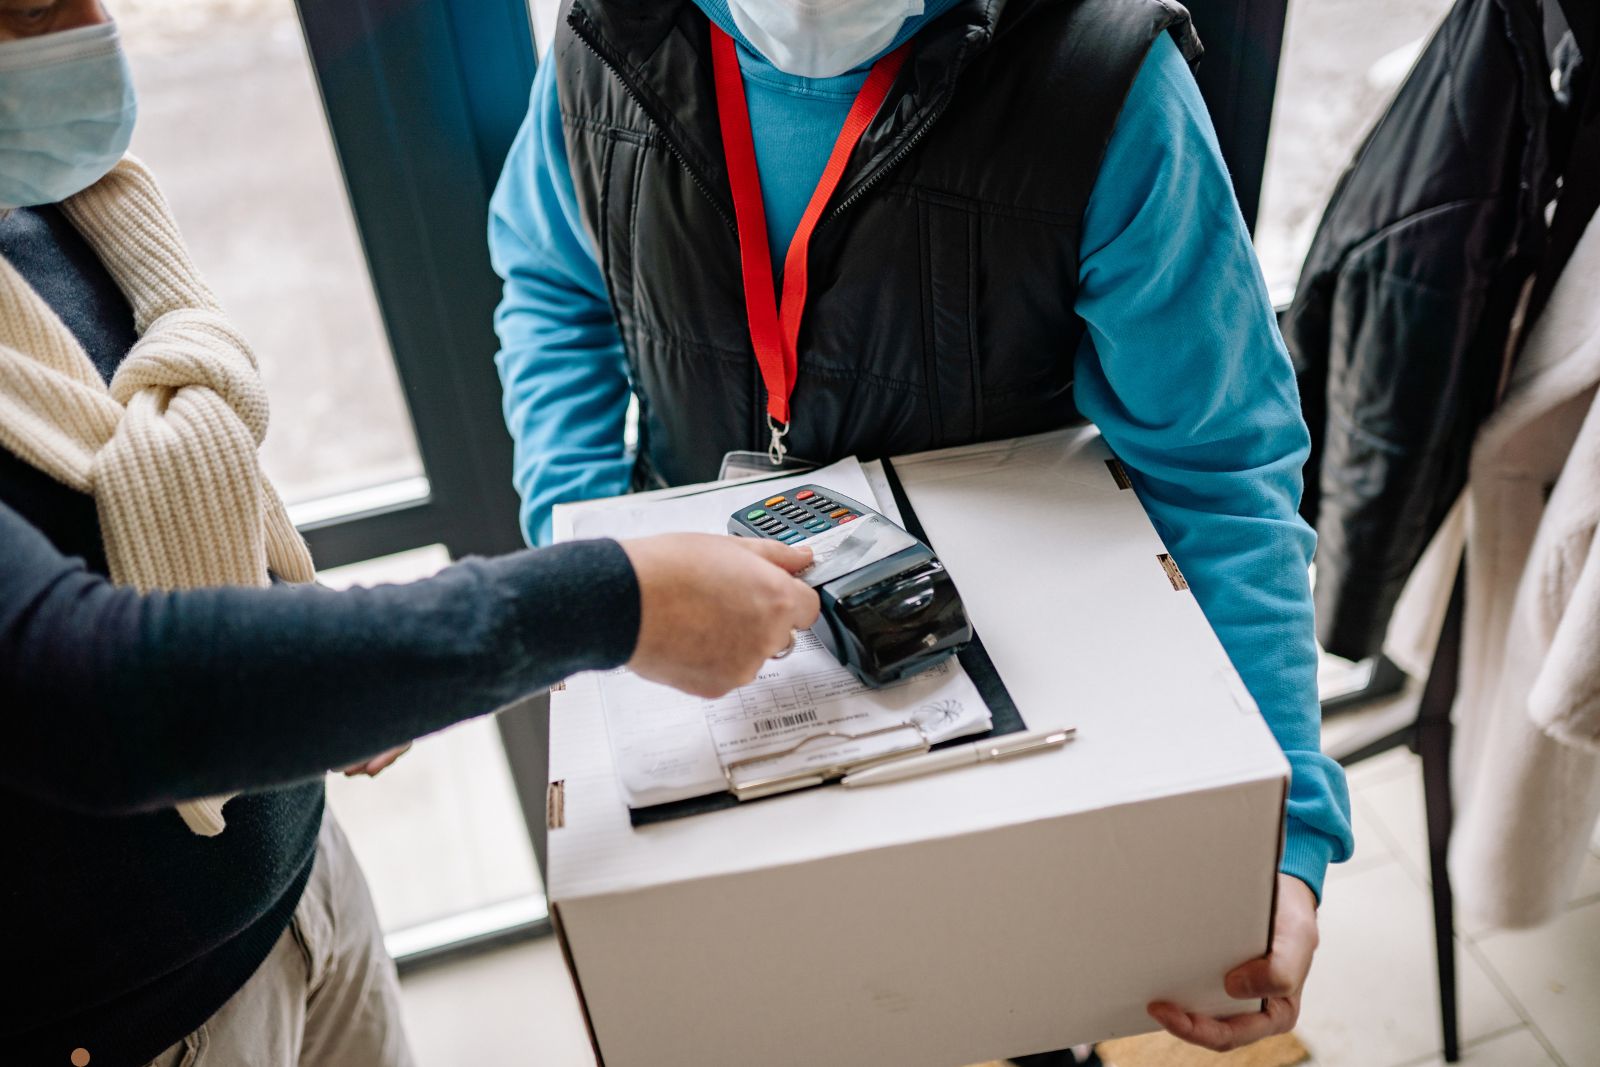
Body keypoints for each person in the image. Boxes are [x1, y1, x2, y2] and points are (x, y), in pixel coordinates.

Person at [490, 0, 1355, 1055]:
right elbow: (550, 286)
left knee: (1007, 996)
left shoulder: (1103, 78)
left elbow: (1217, 472)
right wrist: (590, 546)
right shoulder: (610, 36)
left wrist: (1280, 832)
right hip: (710, 673)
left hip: (1004, 701)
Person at [0, 3, 820, 1064]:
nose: (92, 29)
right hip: (127, 1020)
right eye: (32, 9)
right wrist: (612, 597)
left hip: (304, 892)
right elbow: (85, 689)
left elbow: (128, 490)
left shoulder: (62, 193)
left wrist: (321, 666)